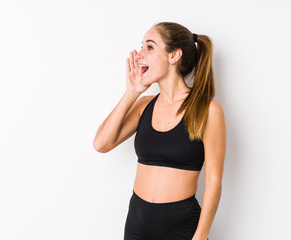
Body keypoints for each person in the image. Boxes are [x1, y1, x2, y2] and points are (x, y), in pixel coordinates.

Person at [93, 21, 226, 240]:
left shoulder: (208, 110)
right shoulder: (144, 105)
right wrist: (132, 92)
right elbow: (101, 144)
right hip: (137, 221)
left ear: (174, 56)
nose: (139, 54)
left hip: (181, 226)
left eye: (149, 47)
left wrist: (201, 234)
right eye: (142, 45)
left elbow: (214, 180)